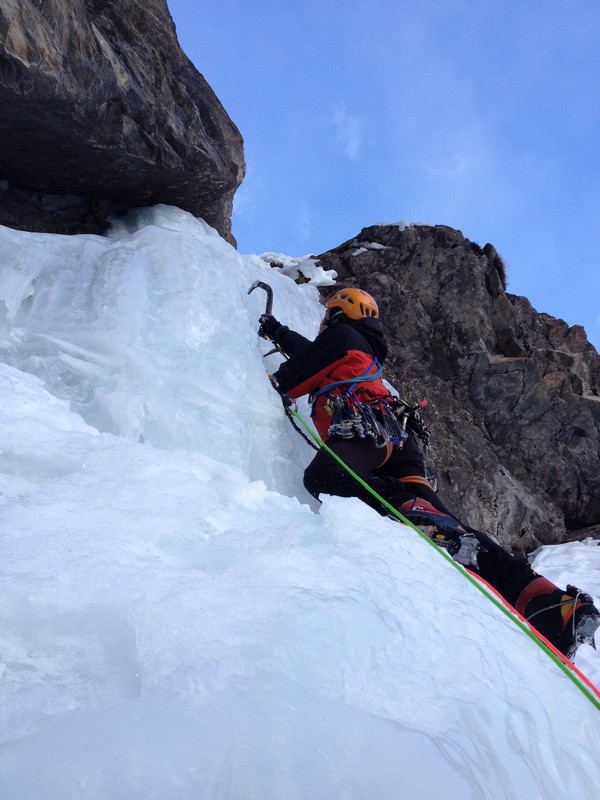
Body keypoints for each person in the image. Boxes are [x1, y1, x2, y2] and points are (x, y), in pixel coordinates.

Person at [258, 286, 600, 660]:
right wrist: (276, 331)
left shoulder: (341, 336)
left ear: (341, 314)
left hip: (367, 433)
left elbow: (296, 373)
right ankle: (552, 607)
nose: (324, 325)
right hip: (398, 445)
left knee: (324, 478)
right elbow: (314, 355)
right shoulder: (360, 348)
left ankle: (420, 517)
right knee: (456, 528)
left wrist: (261, 378)